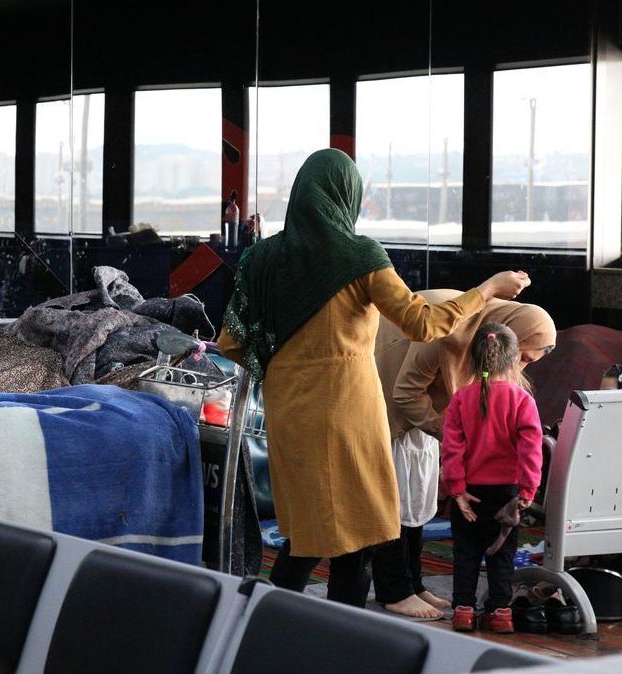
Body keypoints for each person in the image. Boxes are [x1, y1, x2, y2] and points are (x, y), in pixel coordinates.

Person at [217, 148, 531, 608]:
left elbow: (232, 342)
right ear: (347, 197)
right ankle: (347, 630)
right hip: (348, 410)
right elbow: (423, 323)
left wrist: (284, 371)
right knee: (359, 526)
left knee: (308, 528)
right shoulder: (360, 255)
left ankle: (263, 621)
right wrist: (486, 290)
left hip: (288, 410)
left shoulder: (260, 260)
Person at [371, 292, 555, 620]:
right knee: (395, 502)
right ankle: (396, 590)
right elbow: (405, 392)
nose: (521, 367)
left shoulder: (467, 390)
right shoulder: (451, 330)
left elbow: (456, 440)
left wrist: (456, 482)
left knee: (420, 509)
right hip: (392, 405)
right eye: (522, 357)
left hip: (444, 451)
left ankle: (425, 589)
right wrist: (528, 490)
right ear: (510, 344)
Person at [442, 322, 544, 633]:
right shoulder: (522, 400)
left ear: (473, 360)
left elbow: (452, 448)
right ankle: (500, 613)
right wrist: (528, 490)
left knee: (466, 553)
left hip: (470, 494)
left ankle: (463, 611)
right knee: (503, 554)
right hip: (508, 495)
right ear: (515, 360)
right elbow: (531, 446)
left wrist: (456, 490)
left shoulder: (461, 399)